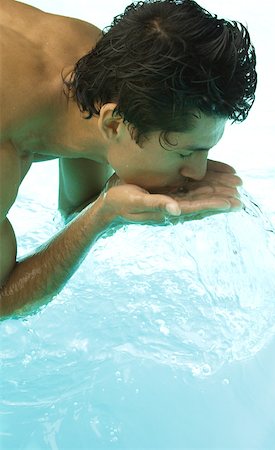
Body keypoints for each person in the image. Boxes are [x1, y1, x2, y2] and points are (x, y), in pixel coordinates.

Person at [0, 0, 257, 317]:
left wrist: (106, 206)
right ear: (114, 124)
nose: (198, 171)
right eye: (184, 152)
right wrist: (101, 217)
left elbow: (75, 208)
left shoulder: (96, 67)